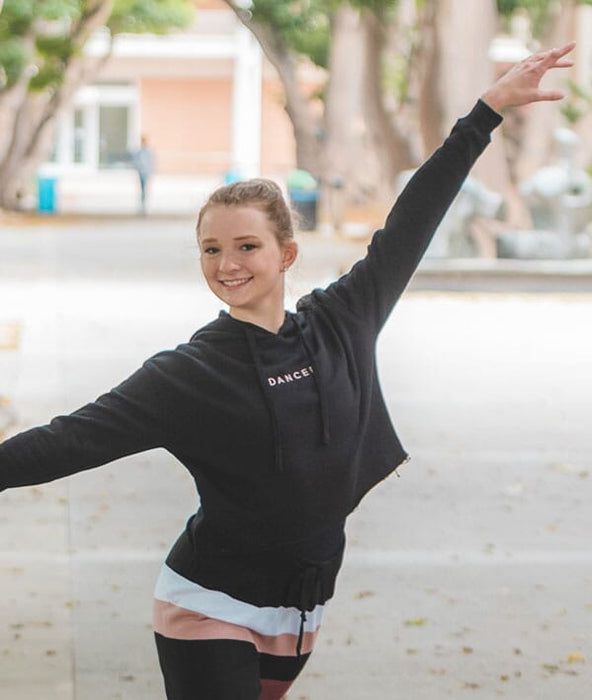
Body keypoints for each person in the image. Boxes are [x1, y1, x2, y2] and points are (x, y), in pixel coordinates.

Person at [0, 44, 575, 699]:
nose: (227, 264)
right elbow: (68, 439)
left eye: (246, 246)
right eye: (211, 249)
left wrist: (487, 110)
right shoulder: (187, 375)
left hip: (300, 612)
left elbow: (411, 224)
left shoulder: (341, 320)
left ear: (286, 253)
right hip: (207, 604)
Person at [132, 134, 155, 215]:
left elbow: (151, 163)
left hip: (146, 173)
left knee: (144, 189)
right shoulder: (139, 151)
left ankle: (144, 204)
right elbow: (136, 161)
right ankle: (142, 204)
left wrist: (151, 172)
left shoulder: (148, 152)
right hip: (141, 172)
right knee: (142, 189)